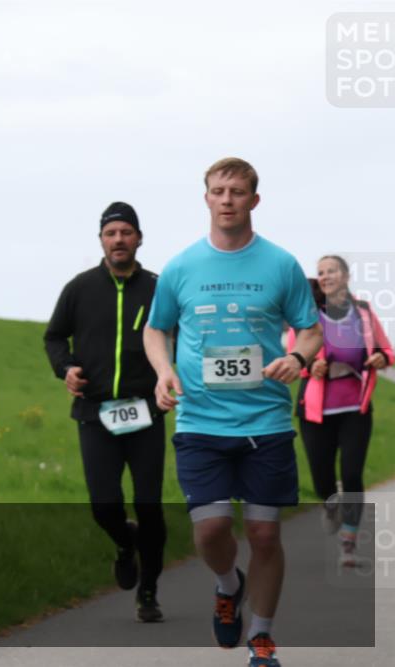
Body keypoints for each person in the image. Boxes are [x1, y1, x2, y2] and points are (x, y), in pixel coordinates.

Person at [143, 157, 322, 667]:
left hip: (265, 421)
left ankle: (262, 638)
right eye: (218, 191)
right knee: (212, 529)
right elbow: (156, 328)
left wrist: (297, 357)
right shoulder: (181, 266)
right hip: (201, 419)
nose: (227, 200)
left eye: (237, 192)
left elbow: (309, 328)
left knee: (265, 533)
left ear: (253, 201)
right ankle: (228, 585)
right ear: (206, 199)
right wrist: (162, 370)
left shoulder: (280, 264)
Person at [45, 202, 167, 623]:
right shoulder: (79, 288)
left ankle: (148, 591)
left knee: (149, 504)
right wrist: (66, 368)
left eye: (126, 232)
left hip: (146, 412)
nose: (119, 240)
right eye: (111, 233)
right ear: (101, 240)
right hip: (95, 414)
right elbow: (54, 337)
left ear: (138, 238)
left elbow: (181, 337)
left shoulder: (158, 288)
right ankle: (123, 542)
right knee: (103, 504)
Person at [290, 256, 393, 566]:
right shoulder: (308, 315)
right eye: (320, 272)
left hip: (354, 406)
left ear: (345, 276)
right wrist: (310, 365)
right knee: (323, 478)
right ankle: (329, 503)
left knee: (351, 473)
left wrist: (381, 358)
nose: (325, 276)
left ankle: (348, 542)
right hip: (316, 409)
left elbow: (386, 349)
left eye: (331, 270)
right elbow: (293, 356)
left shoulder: (362, 313)